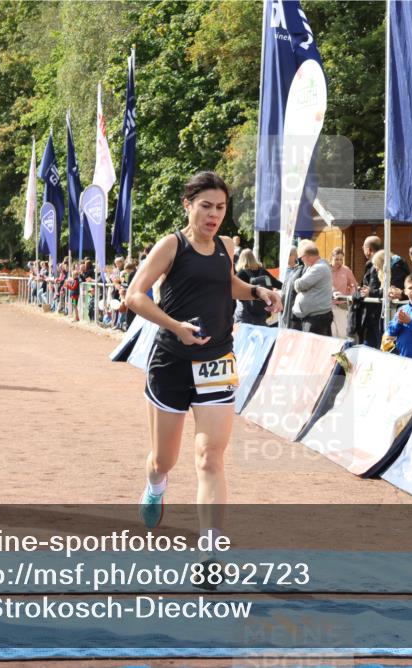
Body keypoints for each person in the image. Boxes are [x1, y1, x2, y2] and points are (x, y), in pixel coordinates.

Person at [125, 171, 282, 540]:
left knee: (210, 456)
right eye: (206, 206)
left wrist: (258, 293)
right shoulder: (172, 245)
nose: (213, 215)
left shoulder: (226, 246)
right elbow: (134, 295)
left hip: (216, 360)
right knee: (165, 459)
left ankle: (210, 550)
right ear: (188, 206)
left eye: (221, 208)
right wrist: (176, 326)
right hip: (172, 363)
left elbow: (229, 284)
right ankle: (155, 482)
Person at [291, 241, 334, 336]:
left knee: (315, 349)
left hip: (316, 318)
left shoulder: (319, 268)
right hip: (314, 317)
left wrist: (297, 283)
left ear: (307, 256)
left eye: (301, 258)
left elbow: (300, 284)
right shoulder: (316, 267)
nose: (301, 261)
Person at [234, 249, 281, 326]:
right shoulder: (263, 271)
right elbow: (277, 284)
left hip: (246, 312)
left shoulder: (241, 273)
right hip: (262, 309)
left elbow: (233, 290)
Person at [329, 248, 357, 338]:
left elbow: (353, 285)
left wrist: (351, 296)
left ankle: (341, 351)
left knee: (342, 333)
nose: (339, 261)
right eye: (336, 259)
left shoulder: (346, 270)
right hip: (327, 305)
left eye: (341, 259)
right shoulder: (326, 269)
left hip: (342, 305)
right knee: (332, 333)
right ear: (331, 258)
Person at [278, 246, 301, 330]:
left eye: (289, 254)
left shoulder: (299, 270)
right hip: (282, 306)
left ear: (295, 256)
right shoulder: (283, 270)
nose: (286, 256)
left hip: (293, 307)